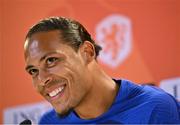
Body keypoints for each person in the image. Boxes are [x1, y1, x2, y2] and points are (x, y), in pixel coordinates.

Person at [24, 16, 180, 124]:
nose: (42, 79)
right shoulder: (48, 122)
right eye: (33, 71)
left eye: (51, 60)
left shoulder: (154, 108)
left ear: (87, 52)